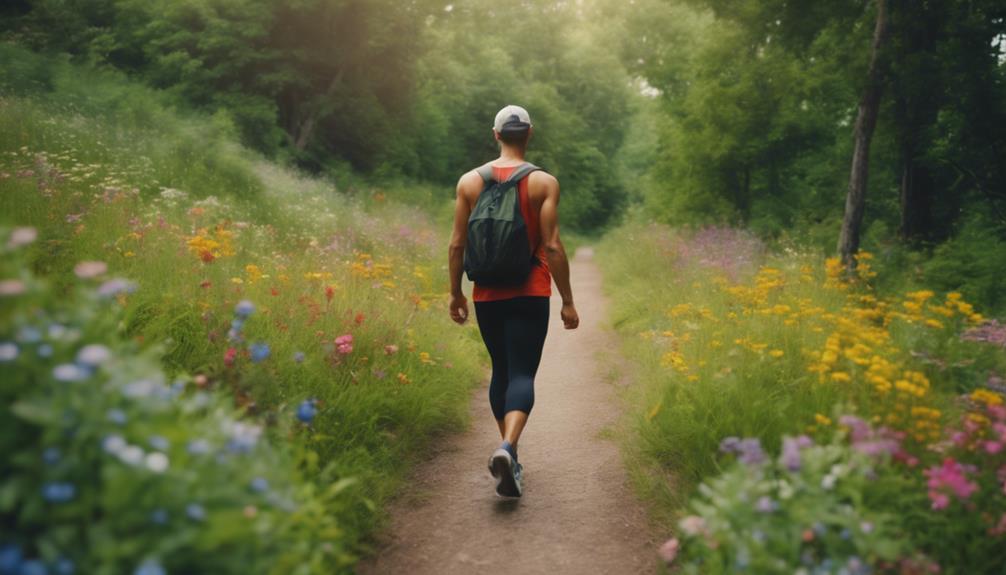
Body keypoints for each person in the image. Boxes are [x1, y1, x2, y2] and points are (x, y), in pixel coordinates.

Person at [447, 104, 579, 498]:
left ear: (496, 134)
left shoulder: (469, 182)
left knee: (500, 372)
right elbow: (552, 245)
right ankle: (507, 447)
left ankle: (511, 453)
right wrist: (567, 300)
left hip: (486, 292)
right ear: (530, 134)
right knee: (522, 373)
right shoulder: (544, 183)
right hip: (530, 290)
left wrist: (455, 292)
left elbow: (457, 243)